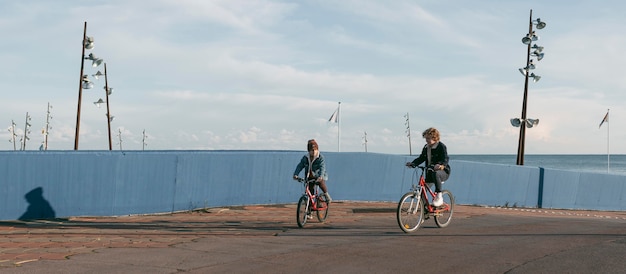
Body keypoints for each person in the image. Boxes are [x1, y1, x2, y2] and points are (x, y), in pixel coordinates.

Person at [406, 127, 451, 206]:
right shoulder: (426, 147)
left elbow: (445, 158)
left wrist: (441, 165)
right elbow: (422, 158)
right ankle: (425, 212)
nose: (426, 140)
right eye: (426, 138)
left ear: (434, 138)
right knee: (423, 191)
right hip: (430, 172)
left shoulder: (441, 146)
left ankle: (439, 196)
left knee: (436, 173)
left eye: (428, 138)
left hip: (443, 172)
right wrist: (413, 164)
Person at [293, 139, 331, 206]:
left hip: (318, 176)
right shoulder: (305, 158)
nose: (313, 152)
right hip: (309, 176)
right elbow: (300, 166)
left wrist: (320, 176)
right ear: (309, 151)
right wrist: (296, 174)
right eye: (312, 150)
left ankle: (326, 195)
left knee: (321, 183)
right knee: (309, 192)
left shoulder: (320, 157)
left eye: (315, 150)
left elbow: (322, 167)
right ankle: (309, 212)